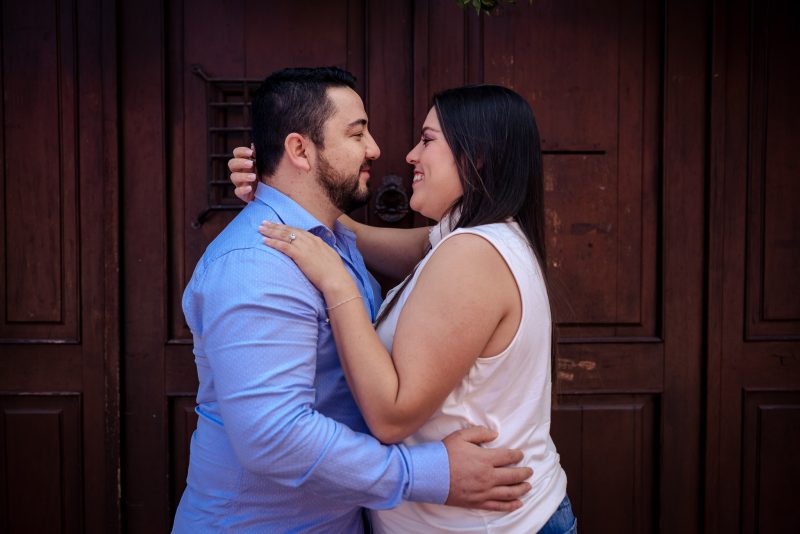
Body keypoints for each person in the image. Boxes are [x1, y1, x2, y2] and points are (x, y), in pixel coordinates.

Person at [173, 67, 534, 534]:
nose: (377, 149)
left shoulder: (332, 241)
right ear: (300, 149)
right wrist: (431, 474)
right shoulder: (256, 265)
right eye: (357, 133)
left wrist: (276, 190)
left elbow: (444, 252)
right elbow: (274, 437)